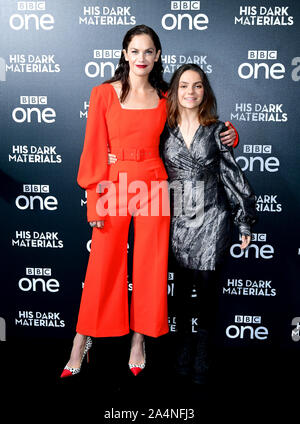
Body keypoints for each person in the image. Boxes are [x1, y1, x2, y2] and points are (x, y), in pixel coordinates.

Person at [61, 25, 237, 379]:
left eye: (149, 51)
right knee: (102, 267)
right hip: (113, 184)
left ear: (157, 56)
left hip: (155, 184)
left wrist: (228, 132)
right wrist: (94, 200)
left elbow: (195, 118)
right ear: (125, 54)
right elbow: (94, 150)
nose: (141, 58)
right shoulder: (103, 94)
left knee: (150, 268)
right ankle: (81, 341)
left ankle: (138, 341)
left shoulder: (165, 95)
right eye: (135, 51)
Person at [160, 63, 257, 384]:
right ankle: (182, 349)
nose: (190, 92)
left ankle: (202, 352)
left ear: (205, 91)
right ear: (173, 91)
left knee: (206, 293)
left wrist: (243, 221)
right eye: (184, 85)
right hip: (177, 221)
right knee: (181, 292)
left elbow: (231, 176)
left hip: (213, 217)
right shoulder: (162, 129)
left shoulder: (217, 130)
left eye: (198, 85)